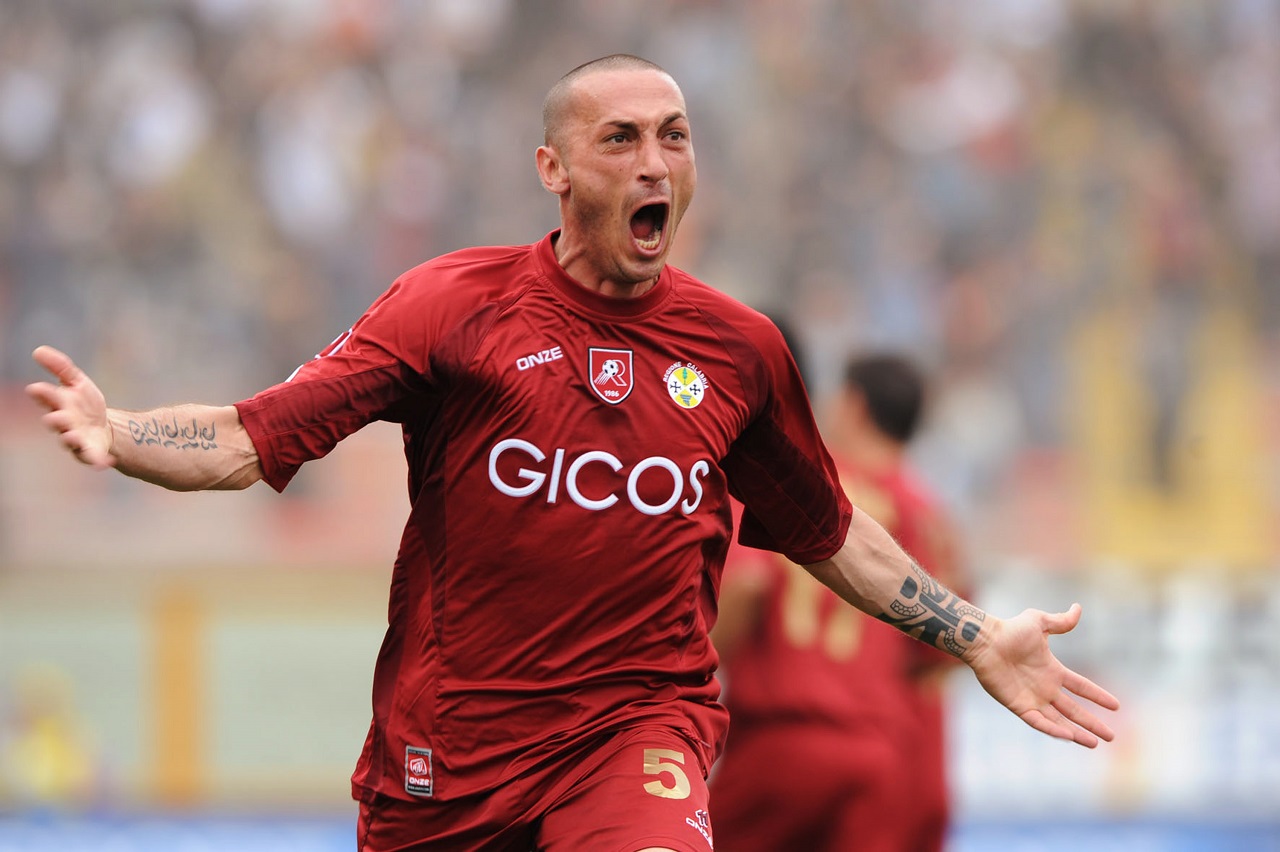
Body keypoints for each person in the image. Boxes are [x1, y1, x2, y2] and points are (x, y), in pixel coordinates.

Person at [26, 54, 1117, 852]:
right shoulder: (451, 308)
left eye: (674, 136)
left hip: (637, 736)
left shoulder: (739, 352)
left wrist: (976, 633)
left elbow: (828, 533)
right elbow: (249, 439)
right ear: (552, 167)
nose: (655, 162)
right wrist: (121, 434)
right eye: (621, 139)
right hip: (449, 755)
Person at [711, 350, 967, 852]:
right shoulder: (930, 515)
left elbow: (749, 581)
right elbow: (940, 658)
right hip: (880, 747)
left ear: (853, 404)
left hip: (782, 736)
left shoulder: (798, 482)